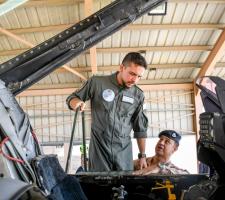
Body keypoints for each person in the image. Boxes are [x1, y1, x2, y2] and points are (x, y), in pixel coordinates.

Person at [66, 52, 148, 171]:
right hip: (99, 151)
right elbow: (72, 98)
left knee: (124, 187)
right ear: (121, 68)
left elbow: (140, 129)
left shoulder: (138, 95)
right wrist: (77, 103)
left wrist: (142, 156)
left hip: (123, 152)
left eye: (139, 76)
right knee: (99, 186)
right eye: (132, 74)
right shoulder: (97, 83)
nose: (135, 79)